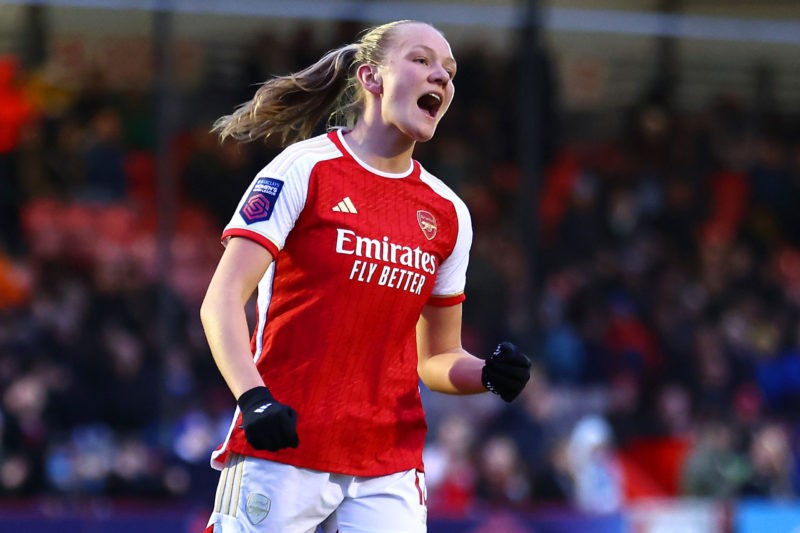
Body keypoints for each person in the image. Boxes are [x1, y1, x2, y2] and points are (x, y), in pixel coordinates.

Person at [200, 20, 531, 533]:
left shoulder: (448, 213)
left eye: (449, 70)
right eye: (422, 60)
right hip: (283, 444)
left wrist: (485, 374)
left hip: (388, 464)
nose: (440, 76)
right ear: (371, 78)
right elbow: (221, 301)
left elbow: (437, 358)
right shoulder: (303, 169)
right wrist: (254, 397)